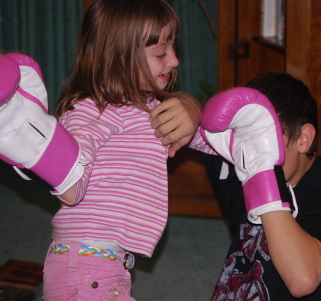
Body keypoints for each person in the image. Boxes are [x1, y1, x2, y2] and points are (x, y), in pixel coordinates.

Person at [0, 0, 215, 299]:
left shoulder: (148, 109)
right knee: (69, 175)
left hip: (98, 267)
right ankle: (20, 128)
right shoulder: (94, 110)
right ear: (120, 57)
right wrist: (61, 169)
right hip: (87, 267)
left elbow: (212, 141)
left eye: (173, 47)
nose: (175, 60)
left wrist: (198, 113)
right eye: (161, 53)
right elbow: (72, 189)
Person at [201, 72, 321, 300]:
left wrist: (263, 175)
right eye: (244, 139)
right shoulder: (241, 166)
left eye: (262, 139)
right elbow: (190, 119)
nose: (250, 152)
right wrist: (188, 108)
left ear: (303, 139)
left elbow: (302, 280)